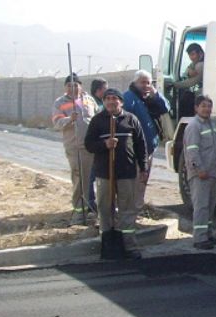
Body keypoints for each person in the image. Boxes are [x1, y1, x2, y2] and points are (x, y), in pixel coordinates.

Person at [85, 88, 148, 260]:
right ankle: (107, 246)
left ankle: (129, 246)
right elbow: (89, 144)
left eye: (115, 99)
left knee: (127, 210)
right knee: (105, 209)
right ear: (104, 102)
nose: (111, 102)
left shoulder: (131, 119)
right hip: (105, 173)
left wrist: (143, 168)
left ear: (121, 101)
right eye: (108, 99)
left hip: (126, 172)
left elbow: (141, 146)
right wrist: (104, 144)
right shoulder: (98, 121)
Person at [183, 95, 216, 250]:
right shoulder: (194, 126)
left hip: (212, 171)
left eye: (209, 106)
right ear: (196, 108)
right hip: (200, 173)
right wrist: (198, 169)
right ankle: (199, 238)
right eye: (203, 106)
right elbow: (192, 151)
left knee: (210, 205)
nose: (207, 109)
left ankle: (208, 233)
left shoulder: (212, 125)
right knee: (201, 206)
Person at [52, 73, 97, 225]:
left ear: (81, 85)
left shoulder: (89, 100)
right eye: (69, 85)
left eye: (75, 85)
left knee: (90, 178)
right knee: (79, 178)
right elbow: (57, 123)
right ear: (65, 88)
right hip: (74, 146)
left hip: (91, 145)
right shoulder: (60, 103)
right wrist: (69, 120)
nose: (73, 88)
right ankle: (79, 211)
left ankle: (90, 206)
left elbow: (96, 117)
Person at [123, 70, 170, 211]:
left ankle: (138, 206)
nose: (146, 85)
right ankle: (131, 209)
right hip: (135, 148)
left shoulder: (150, 98)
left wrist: (155, 93)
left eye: (149, 82)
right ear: (135, 82)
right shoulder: (129, 97)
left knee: (143, 179)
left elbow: (165, 107)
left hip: (149, 148)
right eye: (143, 82)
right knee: (134, 180)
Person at [88, 78, 108, 213]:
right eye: (105, 89)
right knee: (91, 175)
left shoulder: (102, 102)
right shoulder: (92, 103)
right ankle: (90, 202)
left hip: (102, 144)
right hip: (95, 143)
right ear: (98, 90)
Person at [172, 43, 205, 118]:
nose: (191, 57)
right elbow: (186, 72)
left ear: (200, 53)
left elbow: (191, 82)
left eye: (193, 54)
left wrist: (175, 85)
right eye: (190, 55)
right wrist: (189, 72)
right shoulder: (196, 63)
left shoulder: (201, 65)